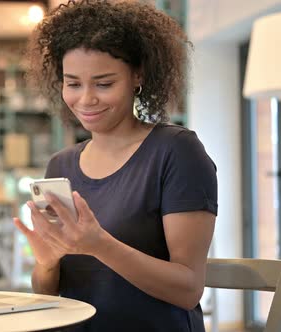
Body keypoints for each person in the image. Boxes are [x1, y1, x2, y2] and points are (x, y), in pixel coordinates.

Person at [12, 1, 217, 331]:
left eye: (104, 84)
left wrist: (99, 245)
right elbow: (48, 294)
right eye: (73, 83)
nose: (86, 99)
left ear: (137, 76)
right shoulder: (61, 164)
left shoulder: (175, 152)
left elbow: (188, 289)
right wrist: (47, 263)